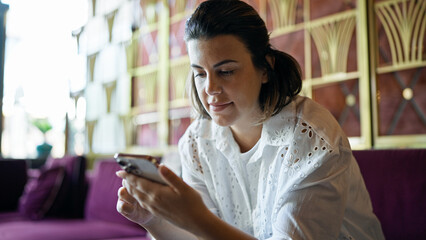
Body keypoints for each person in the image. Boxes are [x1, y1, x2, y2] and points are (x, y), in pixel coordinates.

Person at [116, 1, 385, 239]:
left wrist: (196, 217)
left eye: (226, 71)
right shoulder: (197, 143)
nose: (210, 88)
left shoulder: (311, 138)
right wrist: (151, 218)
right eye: (199, 73)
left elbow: (203, 227)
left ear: (265, 68)